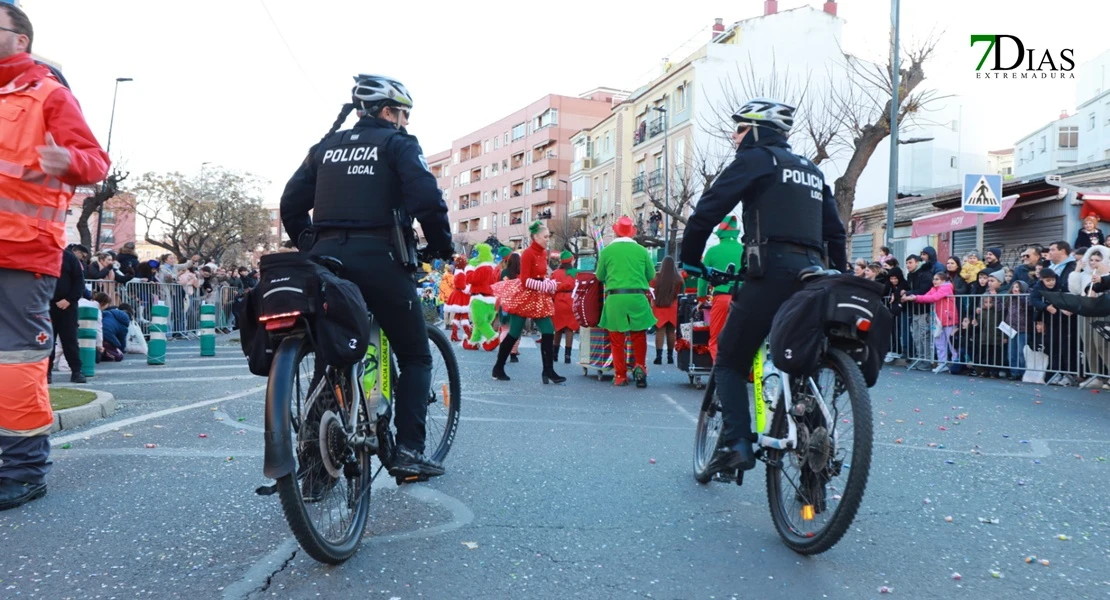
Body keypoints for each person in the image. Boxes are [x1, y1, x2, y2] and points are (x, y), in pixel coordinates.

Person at [279, 74, 453, 479]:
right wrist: (441, 246)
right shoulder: (398, 144)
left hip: (325, 262)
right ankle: (409, 451)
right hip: (381, 258)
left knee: (333, 350)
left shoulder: (326, 147)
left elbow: (291, 202)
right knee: (414, 354)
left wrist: (308, 243)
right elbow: (428, 199)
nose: (406, 122)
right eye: (403, 113)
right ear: (388, 111)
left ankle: (317, 465)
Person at [679, 97, 847, 475]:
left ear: (754, 130)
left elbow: (707, 211)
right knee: (801, 357)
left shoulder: (757, 160)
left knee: (730, 360)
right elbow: (835, 232)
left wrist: (691, 259)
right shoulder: (812, 170)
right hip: (815, 274)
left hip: (772, 271)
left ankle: (736, 442)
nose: (734, 137)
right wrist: (840, 270)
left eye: (739, 129)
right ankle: (813, 438)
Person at [0, 3, 111, 511]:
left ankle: (24, 468)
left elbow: (95, 162)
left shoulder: (48, 92)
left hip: (25, 250)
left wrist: (68, 160)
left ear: (19, 39)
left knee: (18, 360)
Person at [489, 221, 565, 384]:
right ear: (535, 237)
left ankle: (548, 370)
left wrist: (549, 282)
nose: (547, 239)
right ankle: (498, 367)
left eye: (548, 237)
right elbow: (524, 280)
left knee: (548, 330)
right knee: (514, 333)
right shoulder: (528, 254)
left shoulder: (544, 253)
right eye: (545, 237)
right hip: (526, 297)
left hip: (539, 297)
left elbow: (542, 274)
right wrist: (544, 285)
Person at [596, 216, 656, 387]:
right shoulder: (642, 251)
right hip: (637, 297)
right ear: (632, 232)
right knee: (638, 336)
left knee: (617, 339)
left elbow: (600, 276)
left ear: (616, 232)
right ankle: (640, 368)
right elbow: (651, 275)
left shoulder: (607, 251)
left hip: (615, 298)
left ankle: (621, 375)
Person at [696, 216, 744, 361]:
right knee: (744, 337)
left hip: (721, 298)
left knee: (716, 338)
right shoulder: (745, 249)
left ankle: (722, 372)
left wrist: (701, 298)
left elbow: (703, 278)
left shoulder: (712, 251)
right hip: (744, 298)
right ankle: (746, 373)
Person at [902, 272, 958, 374]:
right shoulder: (934, 289)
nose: (934, 281)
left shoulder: (946, 288)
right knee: (939, 342)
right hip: (938, 319)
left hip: (948, 318)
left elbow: (934, 298)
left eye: (937, 279)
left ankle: (955, 363)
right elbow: (926, 297)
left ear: (943, 280)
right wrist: (913, 297)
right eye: (934, 279)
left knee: (951, 343)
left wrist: (915, 297)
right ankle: (942, 363)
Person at [465, 244, 501, 351]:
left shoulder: (482, 268)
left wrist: (469, 268)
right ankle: (474, 342)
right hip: (493, 302)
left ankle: (492, 337)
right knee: (480, 323)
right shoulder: (495, 269)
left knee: (479, 322)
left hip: (480, 299)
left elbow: (471, 279)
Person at [650, 256, 683, 365]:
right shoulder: (679, 278)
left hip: (659, 307)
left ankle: (658, 357)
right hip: (673, 307)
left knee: (660, 332)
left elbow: (651, 293)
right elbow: (682, 293)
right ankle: (670, 357)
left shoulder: (656, 278)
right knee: (671, 332)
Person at [550, 251, 579, 364]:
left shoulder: (555, 273)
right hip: (571, 300)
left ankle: (555, 354)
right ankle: (568, 356)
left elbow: (551, 288)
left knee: (558, 328)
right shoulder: (575, 273)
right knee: (569, 329)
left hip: (558, 301)